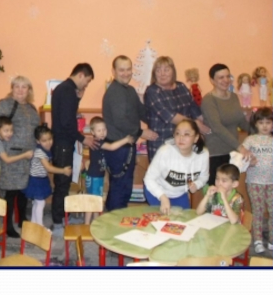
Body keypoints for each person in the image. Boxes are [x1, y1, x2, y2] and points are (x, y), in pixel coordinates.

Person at [0, 75, 40, 237]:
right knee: (10, 191)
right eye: (17, 86)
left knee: (23, 190)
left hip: (29, 156)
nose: (20, 90)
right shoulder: (6, 104)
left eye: (24, 87)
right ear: (12, 89)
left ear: (29, 90)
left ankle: (22, 219)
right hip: (12, 154)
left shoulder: (31, 108)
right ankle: (8, 225)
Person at [102, 56, 159, 211]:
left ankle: (113, 218)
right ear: (113, 71)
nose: (126, 73)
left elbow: (142, 112)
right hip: (118, 148)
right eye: (121, 70)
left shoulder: (130, 90)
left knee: (123, 187)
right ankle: (114, 221)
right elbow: (120, 120)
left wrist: (160, 120)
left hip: (127, 145)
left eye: (128, 69)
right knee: (120, 188)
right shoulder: (115, 92)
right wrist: (141, 132)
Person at [50, 63, 98, 229]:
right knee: (62, 183)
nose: (86, 85)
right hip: (63, 143)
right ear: (81, 75)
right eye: (87, 81)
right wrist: (82, 138)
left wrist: (78, 99)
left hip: (62, 142)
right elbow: (67, 122)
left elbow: (67, 115)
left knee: (64, 182)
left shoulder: (65, 89)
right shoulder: (67, 90)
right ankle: (58, 222)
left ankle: (64, 217)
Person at [144, 55, 210, 160]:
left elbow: (195, 110)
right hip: (162, 144)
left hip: (185, 143)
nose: (162, 74)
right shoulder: (152, 91)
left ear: (173, 71)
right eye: (158, 70)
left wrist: (205, 124)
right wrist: (195, 124)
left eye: (166, 70)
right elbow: (170, 116)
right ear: (154, 73)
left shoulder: (181, 87)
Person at [200, 63, 252, 185]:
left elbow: (241, 121)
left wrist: (260, 132)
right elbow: (217, 127)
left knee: (230, 190)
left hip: (233, 152)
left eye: (228, 76)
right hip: (217, 153)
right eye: (221, 77)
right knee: (217, 190)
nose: (226, 80)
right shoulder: (208, 100)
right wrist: (240, 147)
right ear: (212, 80)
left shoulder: (234, 97)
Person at [143, 119, 209, 214]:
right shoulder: (165, 152)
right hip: (157, 192)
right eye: (177, 133)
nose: (181, 138)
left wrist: (197, 184)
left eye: (186, 134)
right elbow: (149, 179)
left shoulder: (203, 154)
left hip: (179, 194)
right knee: (162, 219)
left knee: (184, 220)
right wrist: (163, 197)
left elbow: (204, 176)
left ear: (196, 138)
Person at [84, 117, 135, 223]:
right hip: (94, 177)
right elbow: (112, 147)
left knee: (97, 201)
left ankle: (95, 222)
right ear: (92, 132)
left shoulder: (101, 141)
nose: (102, 132)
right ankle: (86, 224)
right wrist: (126, 140)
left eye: (104, 129)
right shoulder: (97, 142)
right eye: (99, 130)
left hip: (98, 177)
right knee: (92, 201)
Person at [239, 107, 273, 253]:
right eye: (261, 123)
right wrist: (248, 159)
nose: (265, 126)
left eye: (268, 122)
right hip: (255, 182)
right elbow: (241, 152)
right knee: (257, 211)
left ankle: (272, 239)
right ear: (256, 124)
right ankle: (258, 240)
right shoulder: (251, 139)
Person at [24, 125, 72, 227]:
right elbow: (49, 168)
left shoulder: (45, 150)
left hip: (41, 179)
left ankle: (34, 224)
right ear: (38, 141)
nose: (48, 142)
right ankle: (40, 226)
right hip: (36, 181)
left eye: (50, 139)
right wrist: (63, 171)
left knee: (37, 203)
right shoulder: (39, 152)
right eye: (44, 140)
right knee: (40, 203)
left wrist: (50, 181)